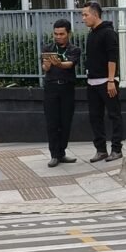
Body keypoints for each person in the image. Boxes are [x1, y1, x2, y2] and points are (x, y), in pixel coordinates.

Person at [82, 1, 124, 162]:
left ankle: (116, 149)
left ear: (95, 14)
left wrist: (111, 80)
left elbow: (112, 57)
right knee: (95, 116)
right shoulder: (91, 33)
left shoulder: (108, 33)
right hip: (92, 82)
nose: (83, 18)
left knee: (114, 115)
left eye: (86, 15)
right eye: (83, 15)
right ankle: (101, 150)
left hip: (107, 81)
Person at [41, 19, 81, 167]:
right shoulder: (48, 48)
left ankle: (61, 152)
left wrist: (58, 63)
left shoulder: (74, 49)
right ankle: (54, 154)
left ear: (68, 34)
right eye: (56, 34)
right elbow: (45, 67)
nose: (58, 37)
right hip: (51, 88)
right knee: (52, 122)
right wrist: (47, 65)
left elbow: (70, 64)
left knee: (65, 121)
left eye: (61, 34)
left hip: (67, 89)